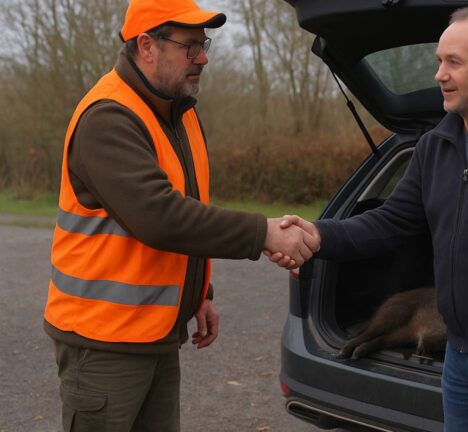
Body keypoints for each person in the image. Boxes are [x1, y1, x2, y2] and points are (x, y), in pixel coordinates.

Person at [273, 6, 468, 431]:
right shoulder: (434, 145)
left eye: (454, 62)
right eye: (439, 61)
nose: (439, 74)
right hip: (458, 359)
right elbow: (389, 222)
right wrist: (317, 234)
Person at [44, 0, 317, 430]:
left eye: (203, 45)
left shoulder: (178, 111)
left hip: (154, 336)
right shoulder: (108, 117)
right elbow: (160, 216)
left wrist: (200, 294)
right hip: (103, 342)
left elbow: (191, 209)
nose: (203, 57)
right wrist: (262, 233)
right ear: (147, 46)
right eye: (190, 47)